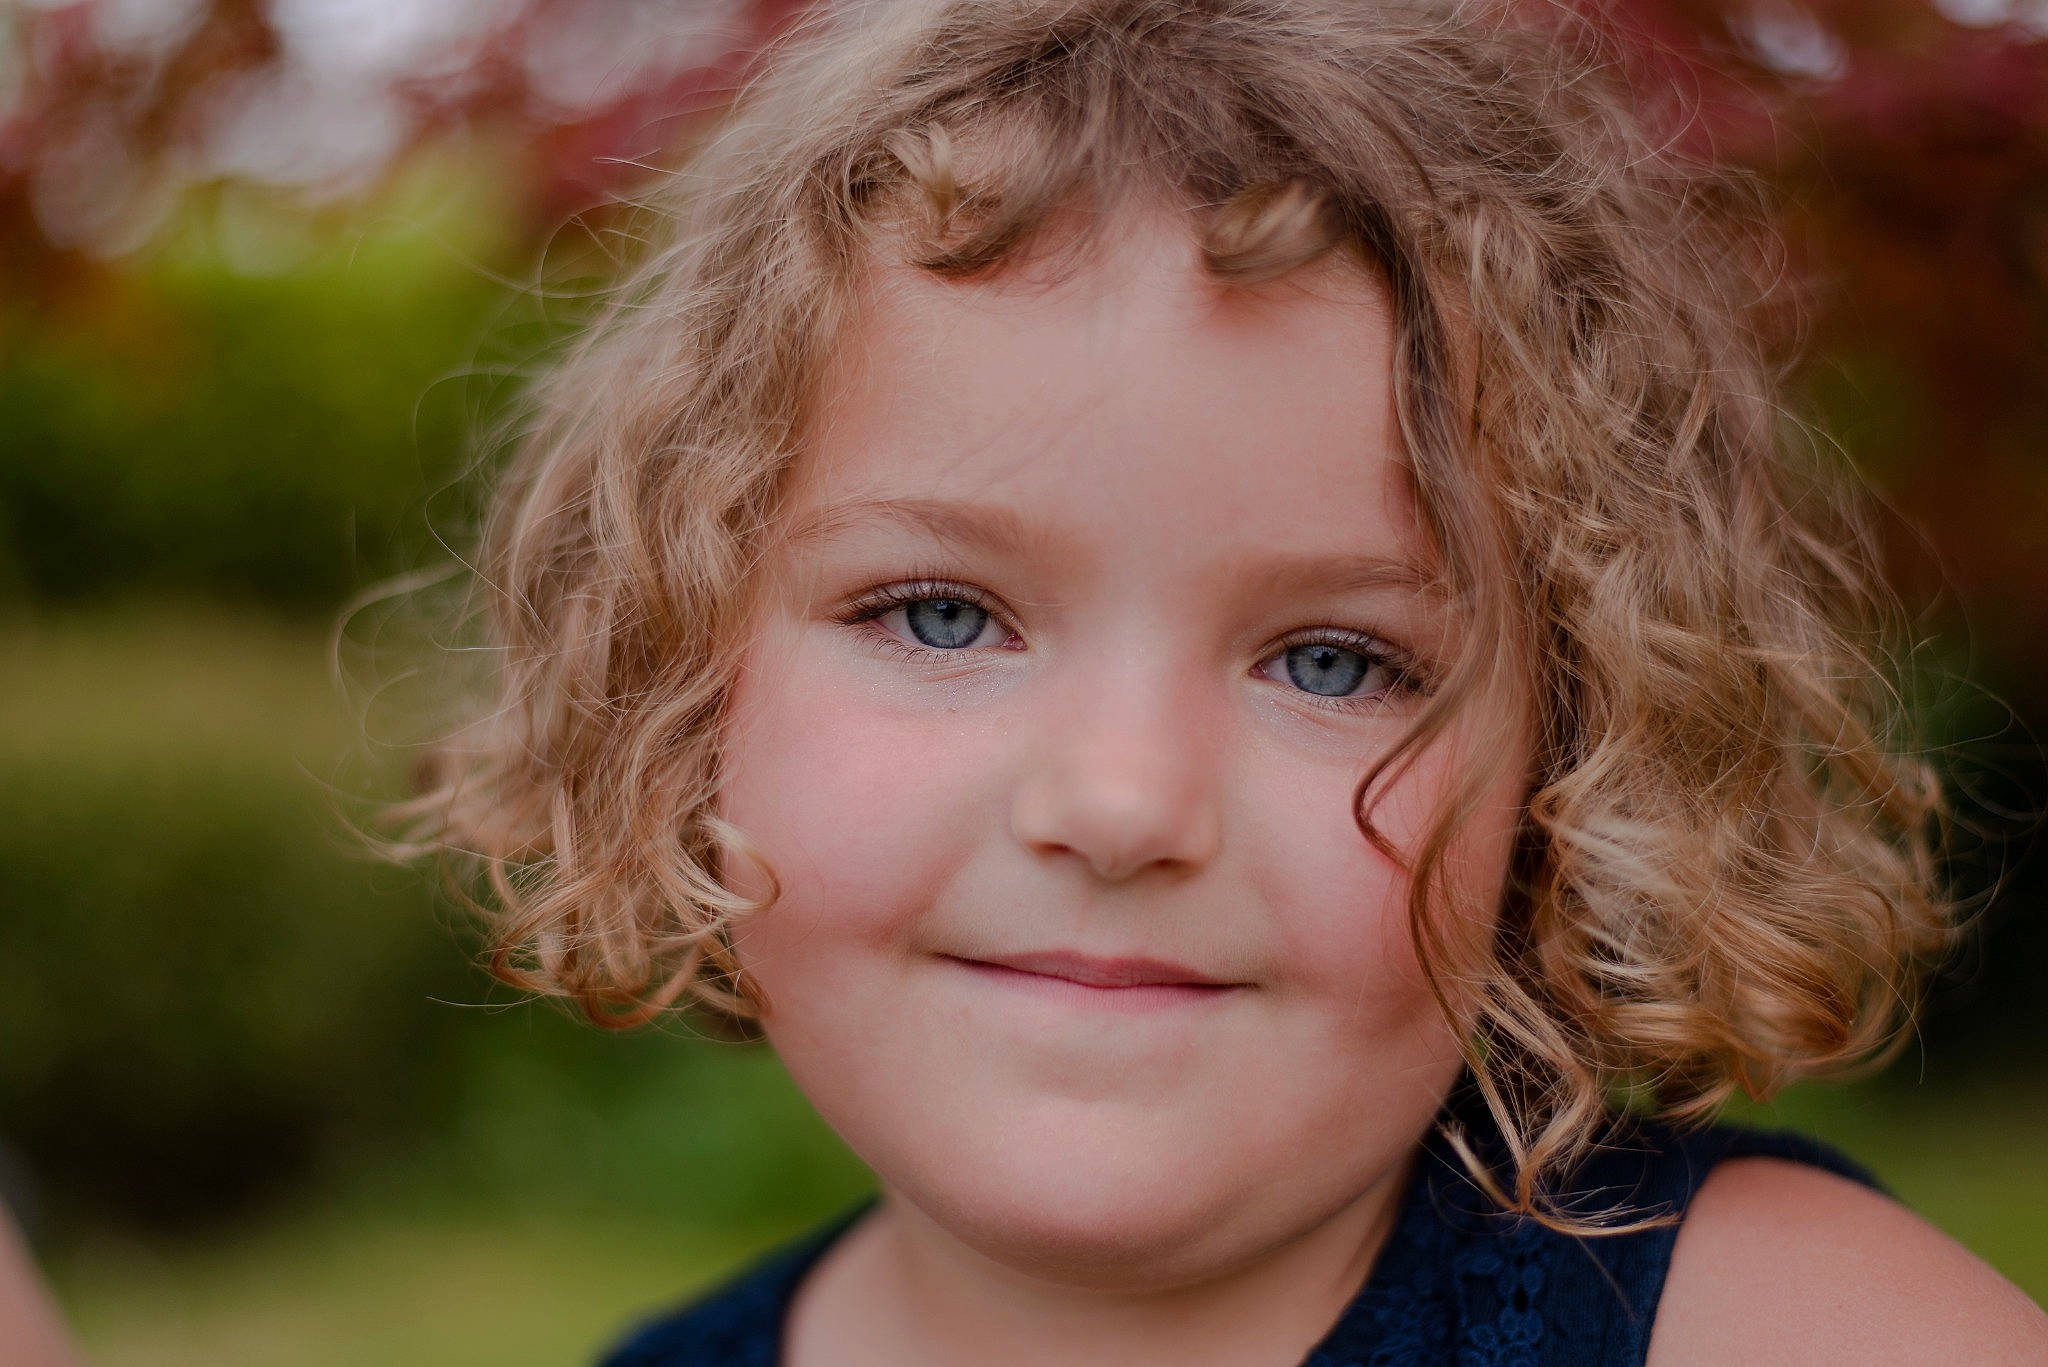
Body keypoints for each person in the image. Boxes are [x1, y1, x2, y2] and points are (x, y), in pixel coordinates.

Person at [396, 0, 2048, 1362]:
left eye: (1336, 661)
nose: (1120, 804)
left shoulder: (1796, 1333)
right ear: (681, 685)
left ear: (1576, 768)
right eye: (943, 618)